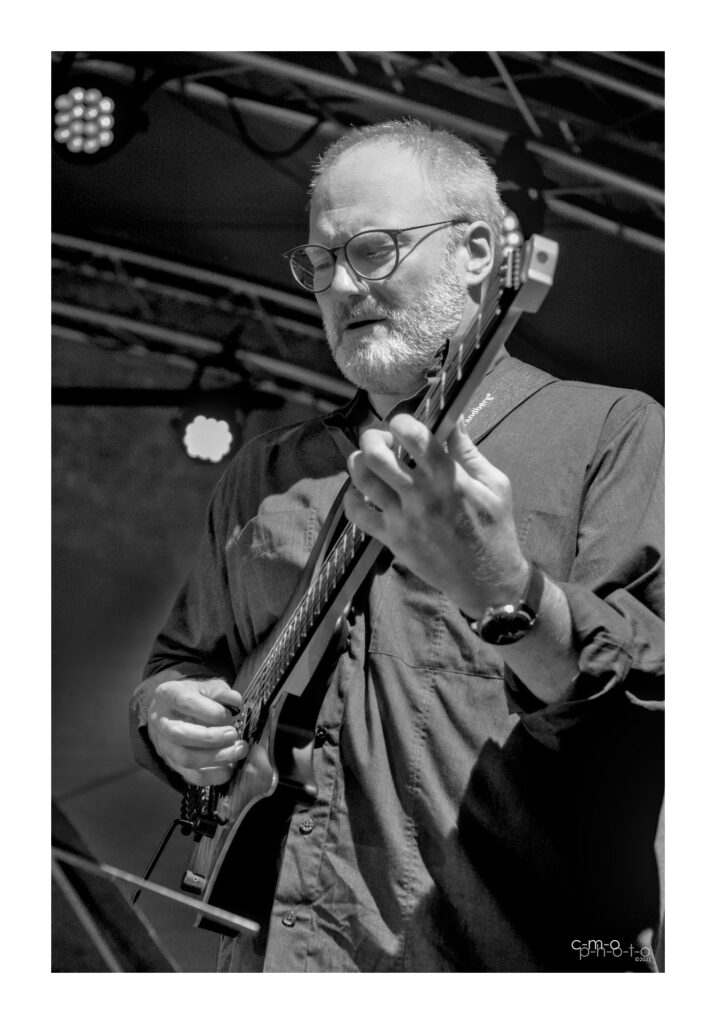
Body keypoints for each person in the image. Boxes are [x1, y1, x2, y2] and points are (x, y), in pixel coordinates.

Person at [130, 119, 664, 972]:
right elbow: (182, 661)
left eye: (373, 251)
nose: (342, 286)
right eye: (320, 263)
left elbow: (656, 710)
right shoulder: (263, 474)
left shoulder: (612, 432)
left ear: (479, 252)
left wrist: (503, 590)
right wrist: (164, 714)